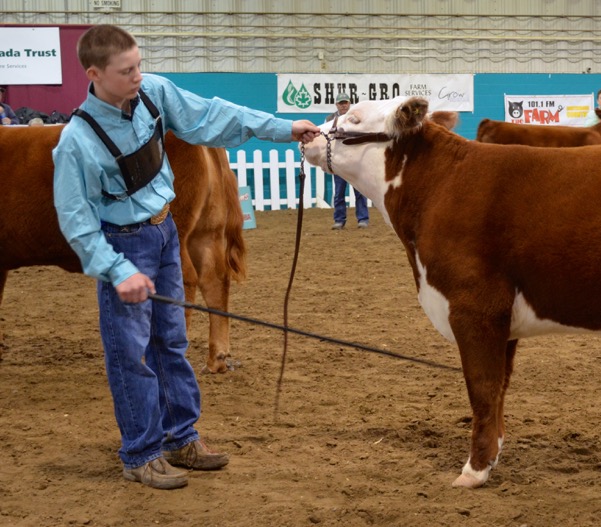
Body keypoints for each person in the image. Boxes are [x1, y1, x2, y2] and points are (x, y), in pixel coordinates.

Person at [52, 24, 320, 490]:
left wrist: (281, 128)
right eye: (127, 70)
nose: (139, 75)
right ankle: (140, 453)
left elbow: (211, 115)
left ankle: (181, 437)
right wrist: (118, 272)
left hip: (164, 232)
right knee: (131, 354)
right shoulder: (75, 141)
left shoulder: (154, 93)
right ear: (95, 73)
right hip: (124, 244)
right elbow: (76, 222)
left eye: (139, 64)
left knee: (172, 342)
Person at [327, 92, 369, 229]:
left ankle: (363, 219)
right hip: (338, 161)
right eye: (341, 103)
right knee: (339, 192)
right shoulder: (330, 119)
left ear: (349, 103)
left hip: (355, 161)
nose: (343, 105)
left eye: (345, 102)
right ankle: (339, 220)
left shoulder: (356, 118)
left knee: (360, 191)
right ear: (336, 105)